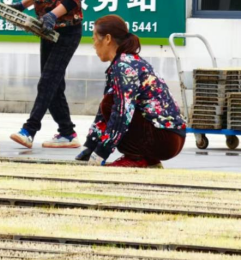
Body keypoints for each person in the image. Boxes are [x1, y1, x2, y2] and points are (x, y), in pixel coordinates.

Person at [9, 0, 84, 150]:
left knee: (47, 82)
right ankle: (67, 133)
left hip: (67, 31)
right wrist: (22, 5)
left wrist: (53, 14)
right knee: (54, 84)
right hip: (47, 31)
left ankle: (29, 130)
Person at [75, 15, 186, 168]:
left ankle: (134, 158)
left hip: (165, 140)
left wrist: (101, 152)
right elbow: (104, 114)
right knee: (109, 103)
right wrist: (90, 145)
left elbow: (122, 112)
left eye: (94, 39)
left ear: (107, 39)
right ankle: (149, 160)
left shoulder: (124, 66)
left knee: (110, 104)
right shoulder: (128, 61)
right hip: (172, 137)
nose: (94, 45)